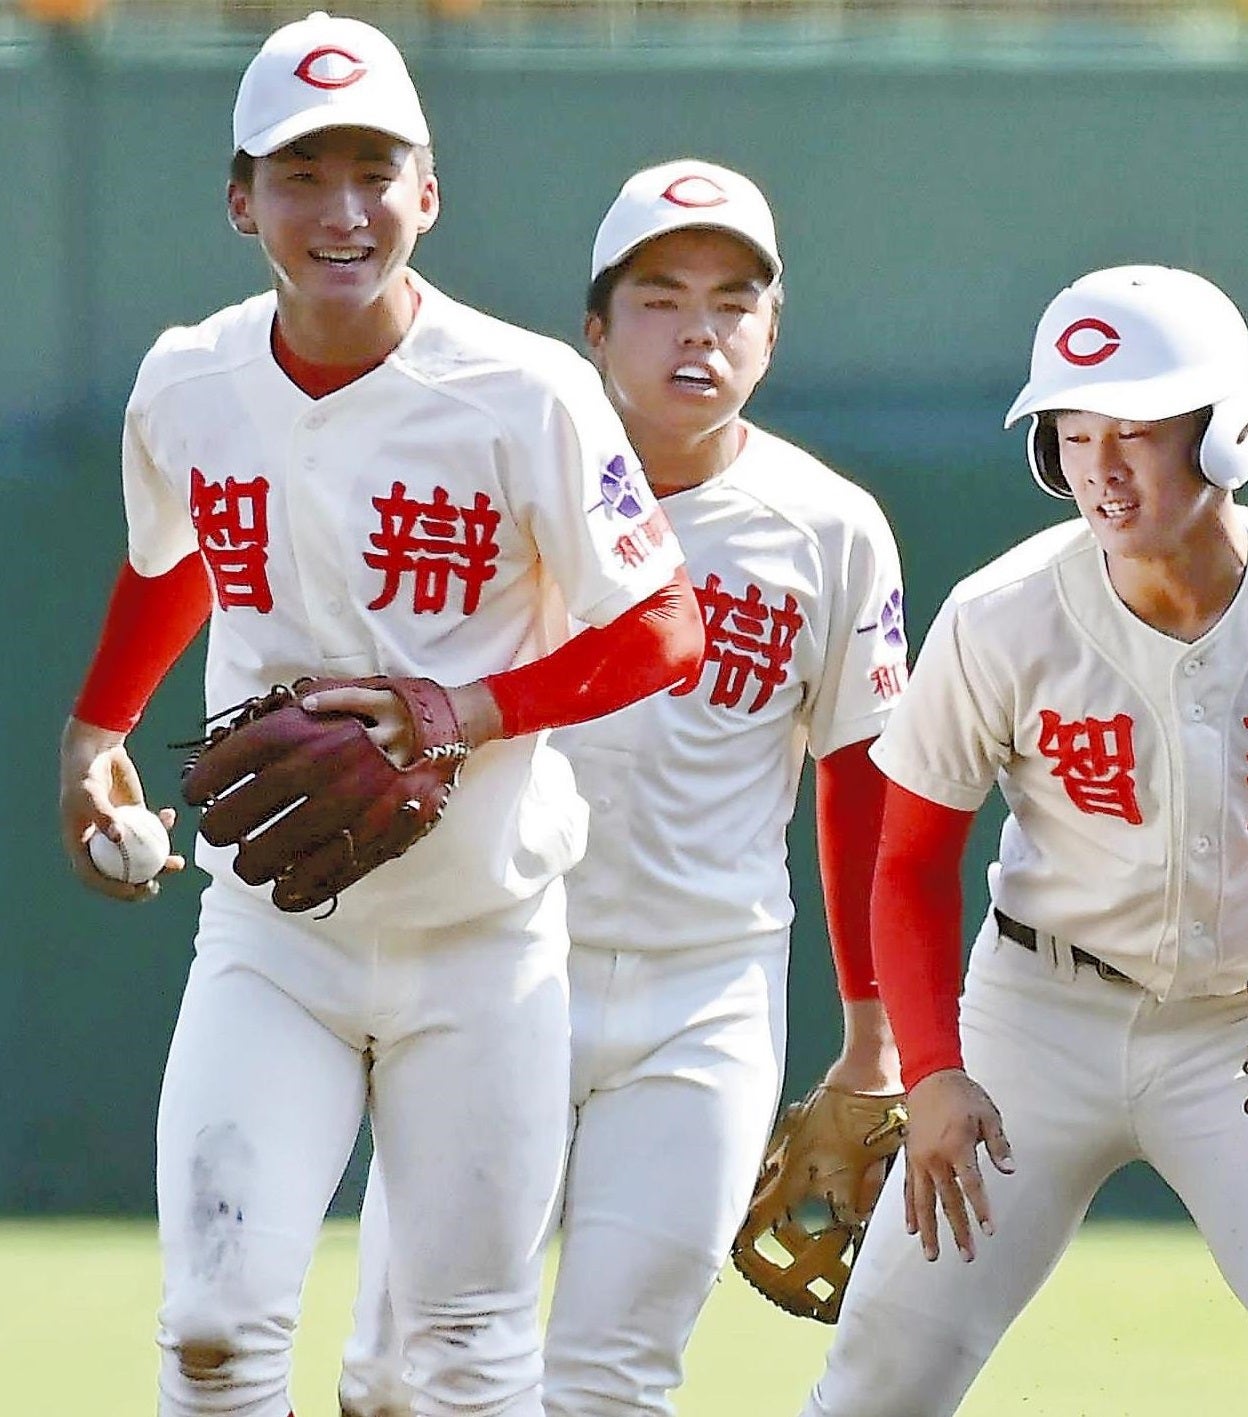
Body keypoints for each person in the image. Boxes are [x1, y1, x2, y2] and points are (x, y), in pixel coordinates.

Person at [53, 13, 706, 1414]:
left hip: (483, 941)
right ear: (241, 203)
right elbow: (180, 555)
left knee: (460, 1354)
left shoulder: (525, 390)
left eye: (373, 171)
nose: (341, 210)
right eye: (301, 174)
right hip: (273, 935)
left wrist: (466, 706)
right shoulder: (188, 378)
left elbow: (666, 626)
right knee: (212, 1332)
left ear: (429, 191)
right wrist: (96, 730)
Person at [775, 265, 1248, 1417]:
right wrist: (935, 1067)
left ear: (1226, 431)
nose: (1101, 466)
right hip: (1033, 1025)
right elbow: (910, 866)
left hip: (1245, 1034)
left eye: (1138, 430)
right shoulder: (1001, 615)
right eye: (1072, 432)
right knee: (875, 1391)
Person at [334, 159, 911, 1417]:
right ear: (594, 328)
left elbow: (860, 786)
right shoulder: (499, 480)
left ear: (772, 334)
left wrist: (875, 1035)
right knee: (402, 1373)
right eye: (659, 299)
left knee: (615, 1380)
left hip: (706, 994)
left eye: (732, 302)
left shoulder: (829, 527)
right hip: (494, 964)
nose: (698, 331)